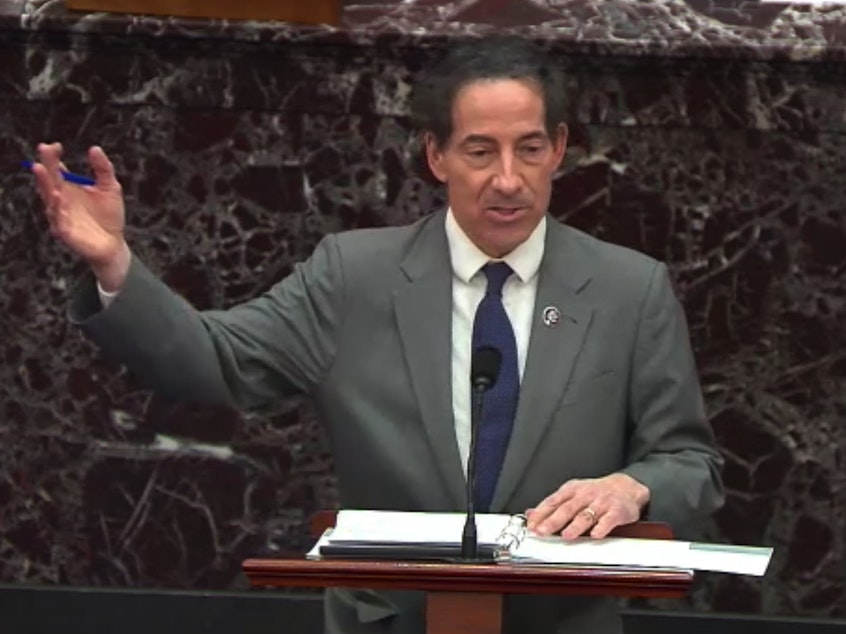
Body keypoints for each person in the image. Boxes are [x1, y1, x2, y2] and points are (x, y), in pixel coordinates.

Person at [32, 35, 723, 634]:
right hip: (391, 622)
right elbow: (214, 361)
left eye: (530, 149)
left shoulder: (629, 290)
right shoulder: (352, 275)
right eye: (480, 151)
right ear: (436, 156)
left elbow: (690, 463)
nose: (507, 179)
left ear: (560, 150)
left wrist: (633, 486)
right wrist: (114, 263)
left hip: (560, 622)